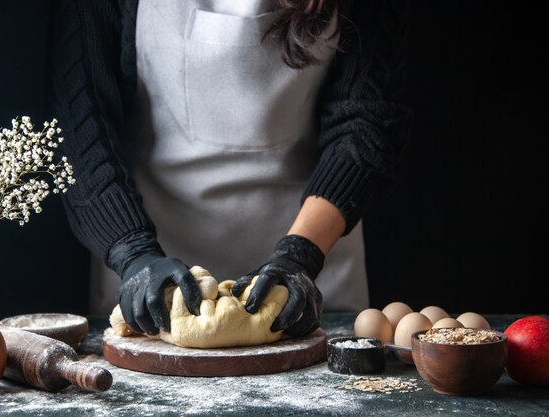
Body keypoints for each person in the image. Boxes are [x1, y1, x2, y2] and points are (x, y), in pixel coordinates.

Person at [49, 0, 411, 339]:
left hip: (311, 267)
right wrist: (133, 254)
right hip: (152, 275)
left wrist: (301, 255)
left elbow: (365, 125)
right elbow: (81, 127)